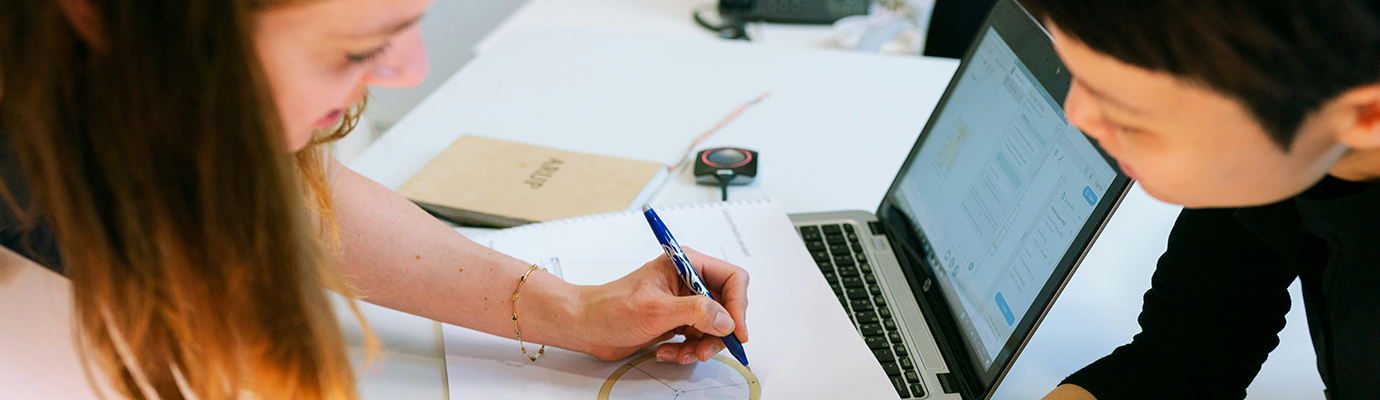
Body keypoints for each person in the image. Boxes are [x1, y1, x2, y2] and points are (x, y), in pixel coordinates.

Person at [0, 1, 750, 399]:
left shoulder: (144, 101)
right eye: (359, 47)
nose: (409, 69)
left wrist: (573, 312)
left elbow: (292, 190)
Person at [1014, 1, 1380, 399]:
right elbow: (1179, 362)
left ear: (1368, 114)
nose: (1077, 115)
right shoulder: (1271, 160)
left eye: (1130, 112)